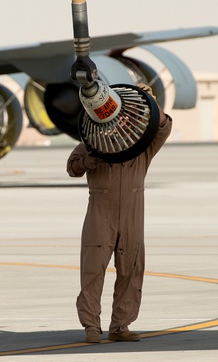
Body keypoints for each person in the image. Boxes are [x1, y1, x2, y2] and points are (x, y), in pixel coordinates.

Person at [66, 86, 172, 344]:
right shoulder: (91, 143)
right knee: (93, 270)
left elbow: (164, 127)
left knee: (132, 269)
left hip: (133, 211)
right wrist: (86, 163)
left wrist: (150, 101)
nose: (122, 122)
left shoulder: (142, 146)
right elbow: (72, 167)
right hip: (100, 210)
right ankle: (92, 327)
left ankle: (120, 326)